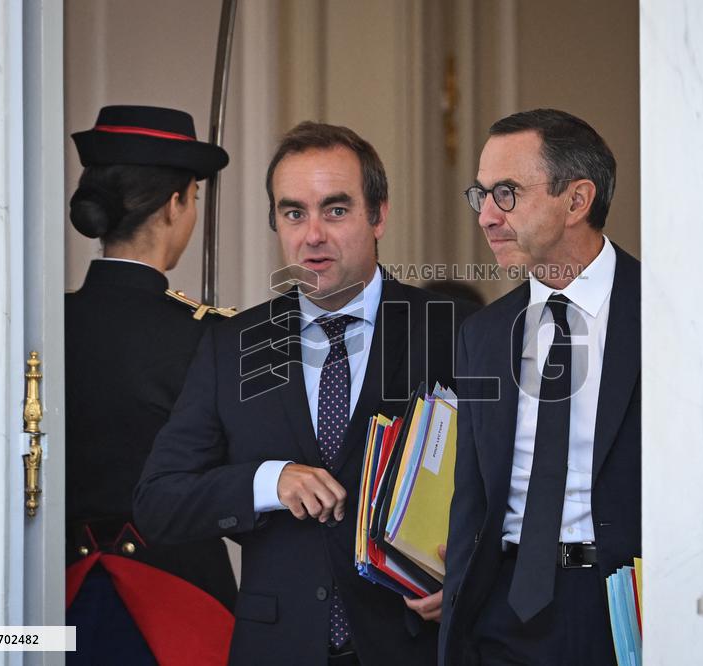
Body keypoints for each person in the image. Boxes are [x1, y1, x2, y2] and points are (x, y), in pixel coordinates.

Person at [133, 121, 477, 666]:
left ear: (379, 214)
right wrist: (269, 480)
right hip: (277, 648)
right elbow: (158, 502)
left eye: (335, 210)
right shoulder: (234, 344)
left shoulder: (454, 329)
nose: (312, 234)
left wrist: (469, 574)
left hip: (412, 646)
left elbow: (514, 492)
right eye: (294, 213)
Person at [439, 109, 641, 665]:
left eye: (506, 193)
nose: (486, 216)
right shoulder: (481, 333)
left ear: (577, 201)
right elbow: (471, 500)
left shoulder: (665, 316)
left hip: (624, 608)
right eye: (479, 194)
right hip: (502, 610)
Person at [65, 105, 238, 665]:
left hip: (50, 603)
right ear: (175, 204)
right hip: (183, 612)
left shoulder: (38, 324)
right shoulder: (210, 335)